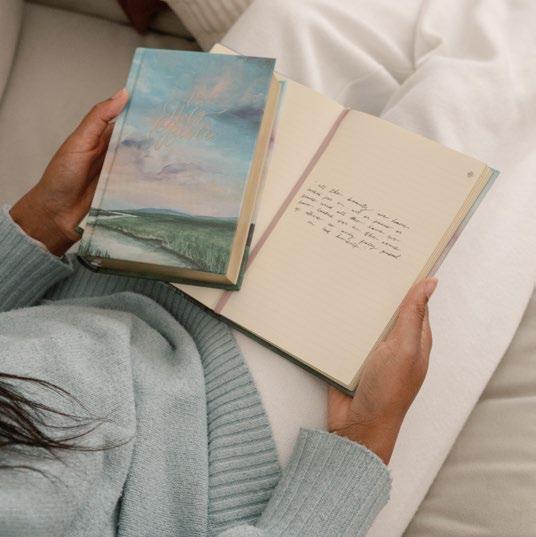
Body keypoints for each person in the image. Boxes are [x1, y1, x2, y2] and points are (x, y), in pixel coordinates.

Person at [0, 88, 436, 537]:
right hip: (227, 443)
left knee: (282, 68)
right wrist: (368, 435)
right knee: (444, 121)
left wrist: (43, 221)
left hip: (92, 286)